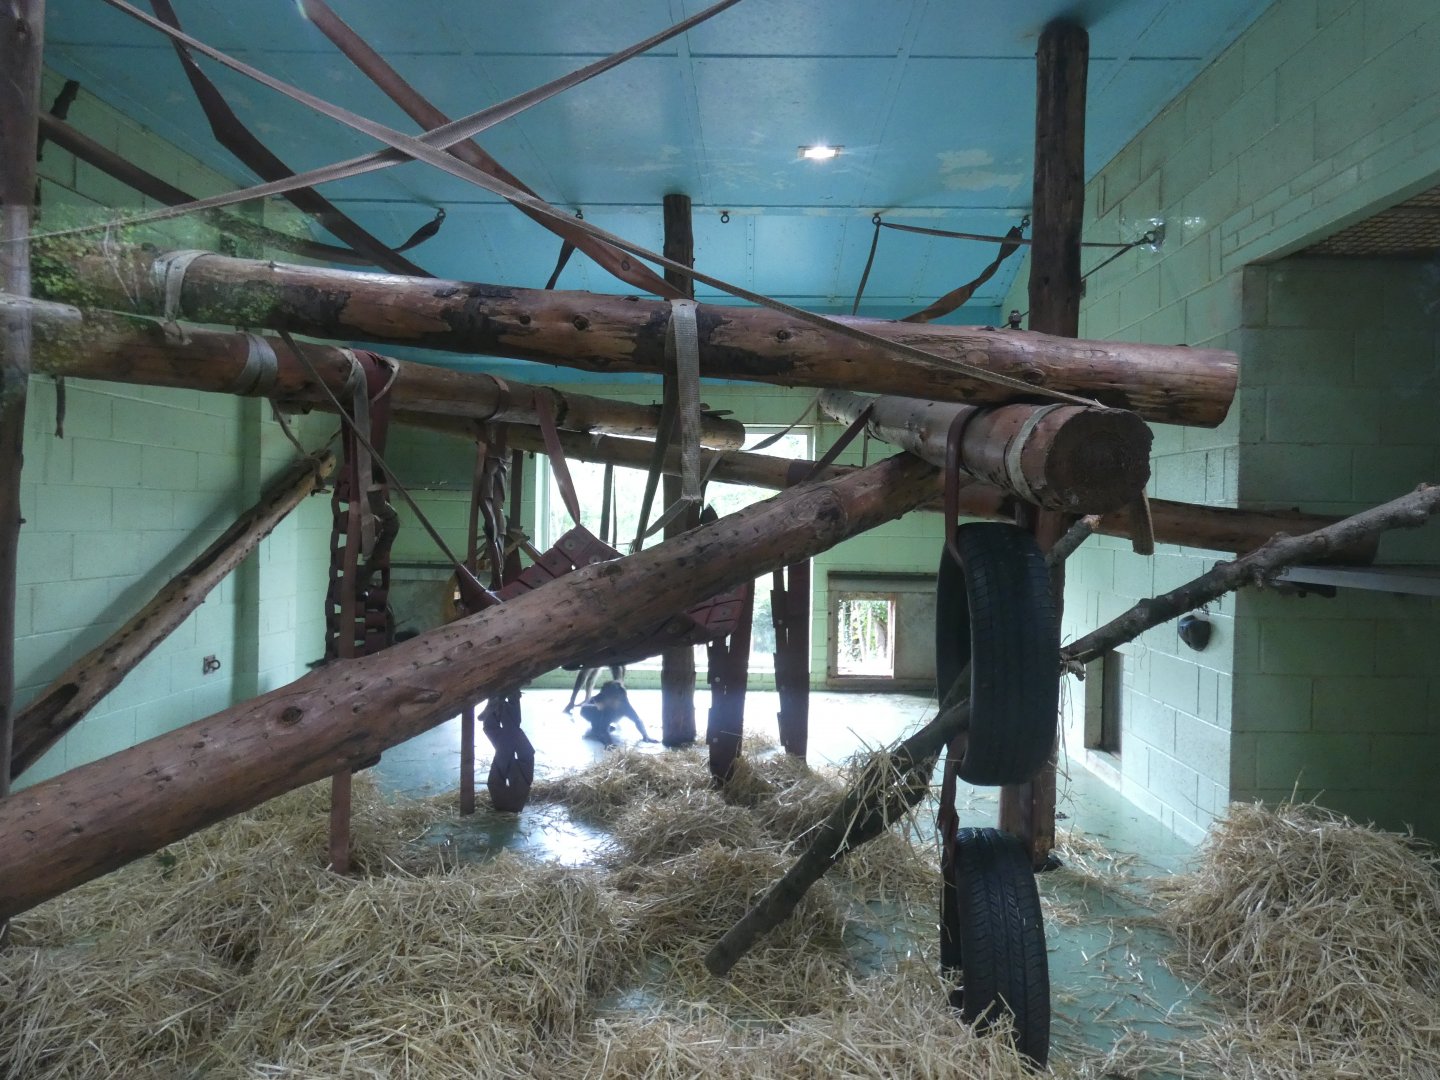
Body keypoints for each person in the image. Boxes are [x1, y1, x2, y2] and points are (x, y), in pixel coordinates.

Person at [579, 680, 655, 744]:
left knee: (606, 716)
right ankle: (596, 726)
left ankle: (599, 726)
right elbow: (604, 729)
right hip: (587, 709)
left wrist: (645, 736)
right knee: (601, 715)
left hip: (609, 711)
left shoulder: (624, 704)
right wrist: (609, 744)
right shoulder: (604, 702)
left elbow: (637, 720)